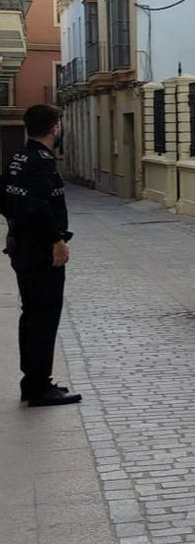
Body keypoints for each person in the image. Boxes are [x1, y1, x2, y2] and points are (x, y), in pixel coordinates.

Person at [5, 104, 80, 408]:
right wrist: (56, 241)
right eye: (58, 125)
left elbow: (7, 199)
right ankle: (38, 386)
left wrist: (15, 228)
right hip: (39, 251)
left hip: (23, 246)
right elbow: (38, 207)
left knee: (32, 314)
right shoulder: (41, 162)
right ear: (54, 128)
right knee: (44, 316)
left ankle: (34, 381)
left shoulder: (17, 158)